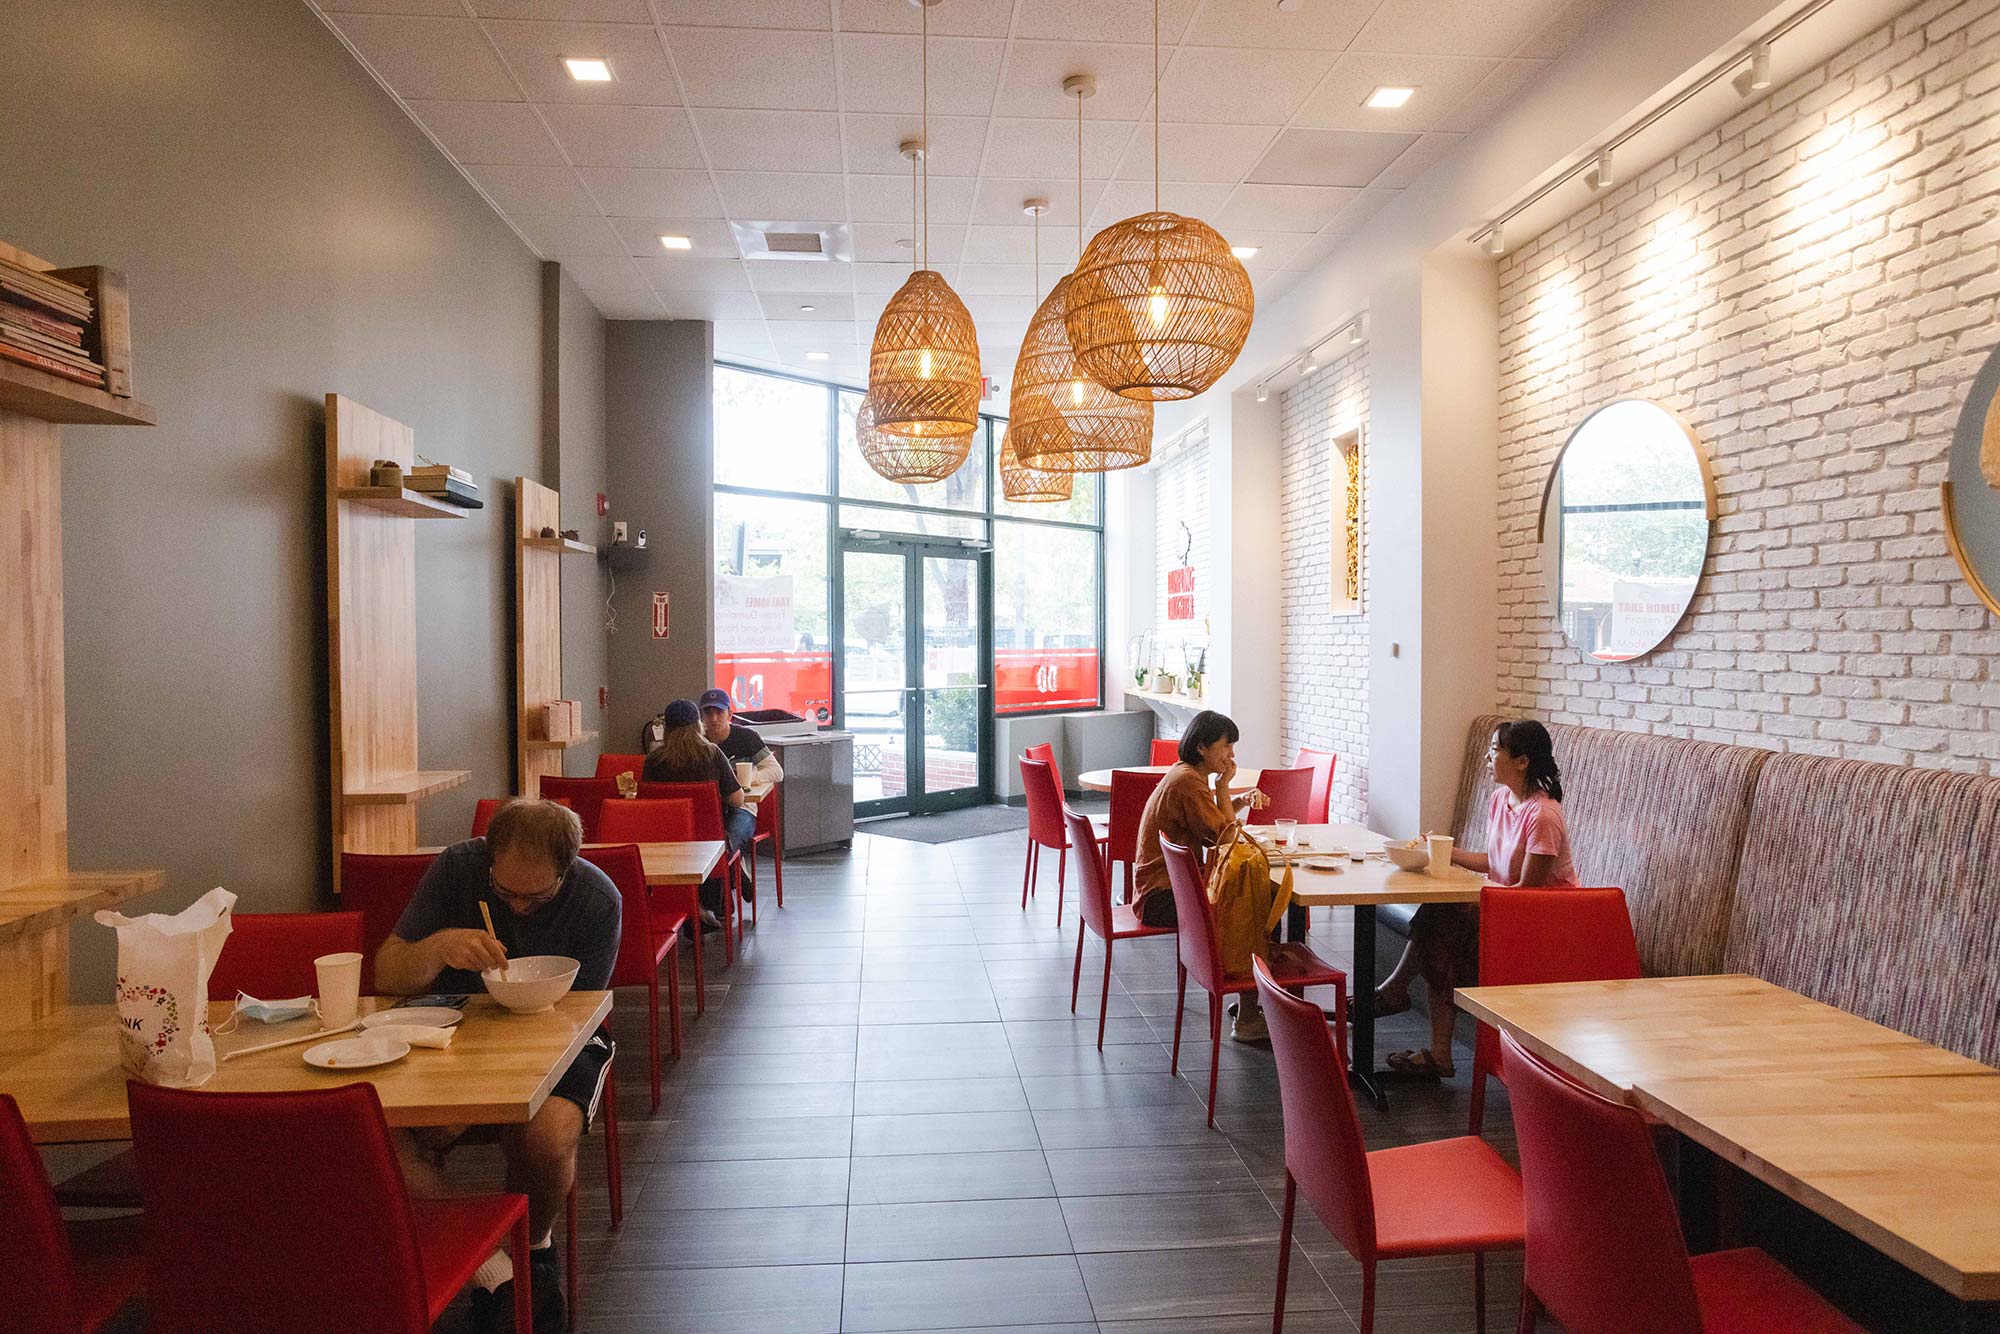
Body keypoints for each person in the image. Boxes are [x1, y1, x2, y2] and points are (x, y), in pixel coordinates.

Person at [374, 799, 620, 1334]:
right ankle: (495, 1269)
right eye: (506, 893)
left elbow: (582, 1016)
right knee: (382, 1131)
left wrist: (495, 1089)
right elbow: (388, 974)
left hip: (564, 1036)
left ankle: (534, 1245)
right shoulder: (457, 869)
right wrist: (439, 946)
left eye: (538, 896)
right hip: (452, 1032)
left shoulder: (597, 900)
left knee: (547, 1137)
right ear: (488, 857)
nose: (520, 907)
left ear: (568, 868)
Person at [1378, 719, 1576, 1080]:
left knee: (1443, 926)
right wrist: (1442, 852)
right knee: (1440, 923)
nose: (1488, 756)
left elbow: (1529, 898)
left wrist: (1477, 900)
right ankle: (1424, 1034)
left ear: (1522, 761)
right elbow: (1493, 861)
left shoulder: (1544, 816)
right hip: (1505, 910)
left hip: (1544, 927)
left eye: (1495, 749)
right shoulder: (1502, 798)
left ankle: (1403, 1002)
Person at [1130, 709, 1272, 1041]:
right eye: (1227, 746)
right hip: (1160, 898)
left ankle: (1253, 998)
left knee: (1250, 901)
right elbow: (1226, 839)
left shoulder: (1186, 776)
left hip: (1163, 891)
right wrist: (1224, 787)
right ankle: (1250, 1014)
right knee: (1248, 910)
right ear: (1202, 748)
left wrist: (1230, 796)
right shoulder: (1187, 783)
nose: (1231, 755)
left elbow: (1213, 827)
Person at [642, 697, 750, 915]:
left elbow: (646, 805)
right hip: (710, 842)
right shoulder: (713, 754)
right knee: (734, 825)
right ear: (698, 725)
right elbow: (737, 799)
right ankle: (722, 892)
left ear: (668, 729)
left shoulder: (653, 760)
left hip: (665, 843)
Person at [697, 687, 784, 790]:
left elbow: (777, 771)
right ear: (701, 716)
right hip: (709, 802)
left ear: (729, 714)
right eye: (708, 713)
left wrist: (748, 778)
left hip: (743, 803)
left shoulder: (747, 737)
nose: (714, 719)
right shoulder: (696, 741)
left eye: (719, 712)